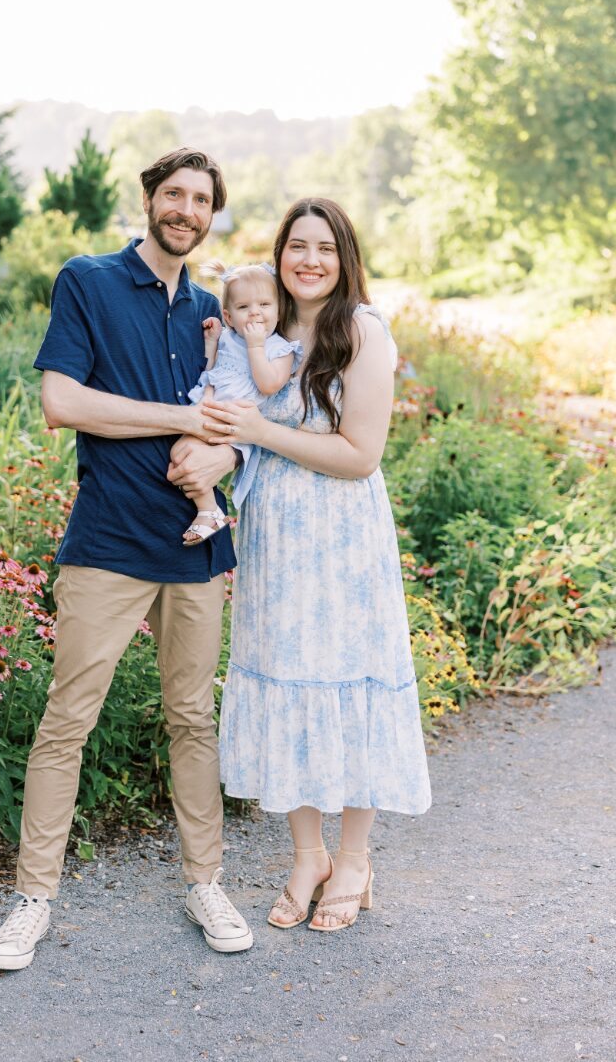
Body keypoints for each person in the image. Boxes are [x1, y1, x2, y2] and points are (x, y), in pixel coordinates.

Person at [0, 147, 254, 972]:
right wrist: (176, 417)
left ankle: (205, 882)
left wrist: (224, 457)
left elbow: (245, 423)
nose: (185, 209)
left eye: (201, 199)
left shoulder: (214, 308)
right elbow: (63, 402)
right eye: (173, 193)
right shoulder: (88, 281)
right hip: (108, 541)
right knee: (68, 721)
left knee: (192, 720)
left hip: (195, 545)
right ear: (148, 198)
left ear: (213, 214)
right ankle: (33, 900)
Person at [203, 196, 431, 933]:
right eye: (296, 246)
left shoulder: (361, 329)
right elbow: (224, 398)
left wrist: (262, 431)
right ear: (278, 256)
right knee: (287, 677)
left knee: (350, 677)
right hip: (276, 537)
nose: (308, 260)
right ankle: (308, 853)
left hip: (342, 539)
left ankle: (356, 857)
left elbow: (360, 455)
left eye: (324, 248)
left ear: (345, 258)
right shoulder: (265, 327)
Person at [176, 262, 299, 545]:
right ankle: (209, 509)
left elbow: (268, 384)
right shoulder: (229, 339)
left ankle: (209, 510)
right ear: (229, 317)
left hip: (236, 421)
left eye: (265, 304)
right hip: (208, 410)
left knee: (186, 454)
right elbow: (211, 370)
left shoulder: (281, 349)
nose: (255, 312)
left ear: (279, 311)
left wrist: (256, 347)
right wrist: (211, 342)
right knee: (180, 453)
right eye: (244, 307)